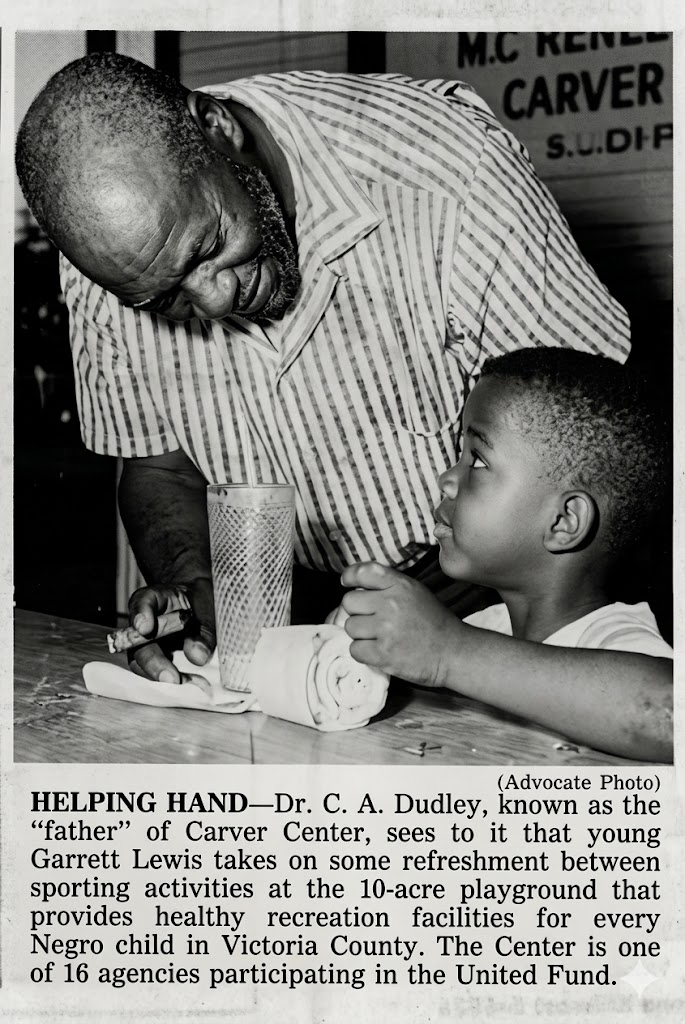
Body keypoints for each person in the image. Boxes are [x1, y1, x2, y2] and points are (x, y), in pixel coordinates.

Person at [16, 52, 632, 686]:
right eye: (165, 298)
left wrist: (477, 651)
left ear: (218, 128)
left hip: (485, 593)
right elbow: (159, 468)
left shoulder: (448, 171)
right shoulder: (113, 260)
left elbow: (586, 455)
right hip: (279, 600)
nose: (216, 303)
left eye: (208, 247)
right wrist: (196, 589)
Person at [340, 348, 673, 762]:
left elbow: (667, 714)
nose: (446, 479)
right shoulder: (485, 628)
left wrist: (448, 651)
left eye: (478, 461)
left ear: (563, 521)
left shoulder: (616, 639)